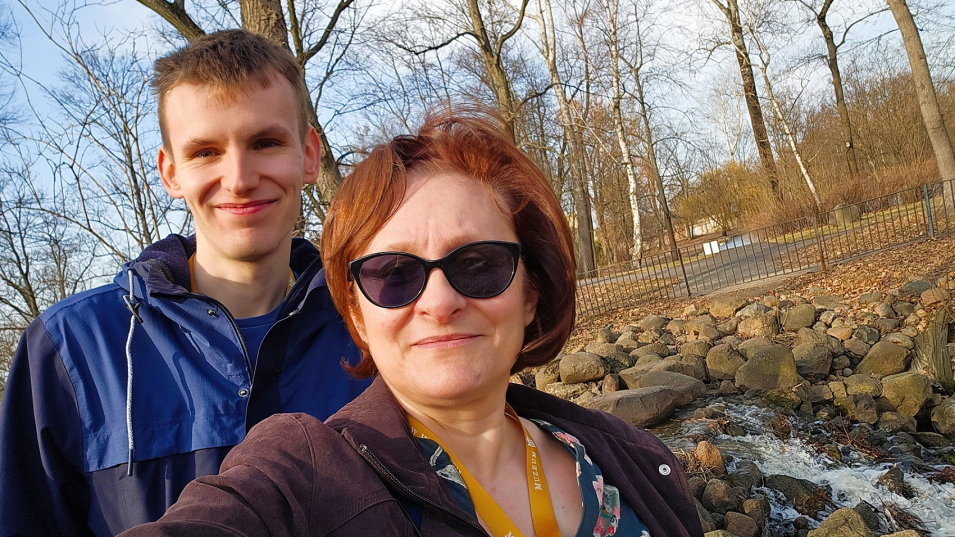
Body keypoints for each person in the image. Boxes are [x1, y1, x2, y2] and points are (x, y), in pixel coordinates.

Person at [122, 108, 704, 537]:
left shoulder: (637, 460)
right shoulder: (304, 474)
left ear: (530, 294)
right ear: (356, 313)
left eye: (478, 264)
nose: (440, 301)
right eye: (394, 274)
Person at [0, 29, 370, 536]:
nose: (239, 178)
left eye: (265, 142)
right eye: (205, 152)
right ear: (170, 172)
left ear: (309, 155)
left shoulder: (376, 327)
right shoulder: (71, 349)